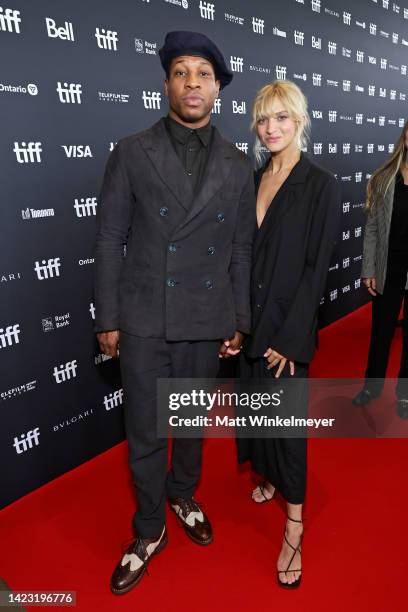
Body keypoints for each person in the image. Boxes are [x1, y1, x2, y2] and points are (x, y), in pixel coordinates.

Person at [94, 30, 255, 594]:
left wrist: (240, 317)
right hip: (143, 318)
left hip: (204, 317)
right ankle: (148, 528)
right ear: (166, 83)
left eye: (203, 75)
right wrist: (107, 318)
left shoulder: (237, 164)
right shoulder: (132, 151)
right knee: (144, 432)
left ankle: (183, 494)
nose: (192, 84)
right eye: (182, 72)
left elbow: (238, 248)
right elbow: (111, 235)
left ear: (218, 89)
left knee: (188, 425)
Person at [236, 80, 340, 588]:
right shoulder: (255, 177)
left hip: (287, 334)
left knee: (288, 429)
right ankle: (266, 476)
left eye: (281, 117)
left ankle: (294, 523)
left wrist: (291, 338)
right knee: (255, 413)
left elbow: (316, 270)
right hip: (252, 325)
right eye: (263, 119)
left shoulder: (319, 183)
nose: (271, 128)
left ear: (301, 120)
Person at [353, 120, 408, 418]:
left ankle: (405, 395)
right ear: (405, 136)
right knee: (381, 333)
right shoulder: (385, 178)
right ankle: (371, 388)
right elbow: (372, 228)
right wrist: (368, 268)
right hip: (389, 266)